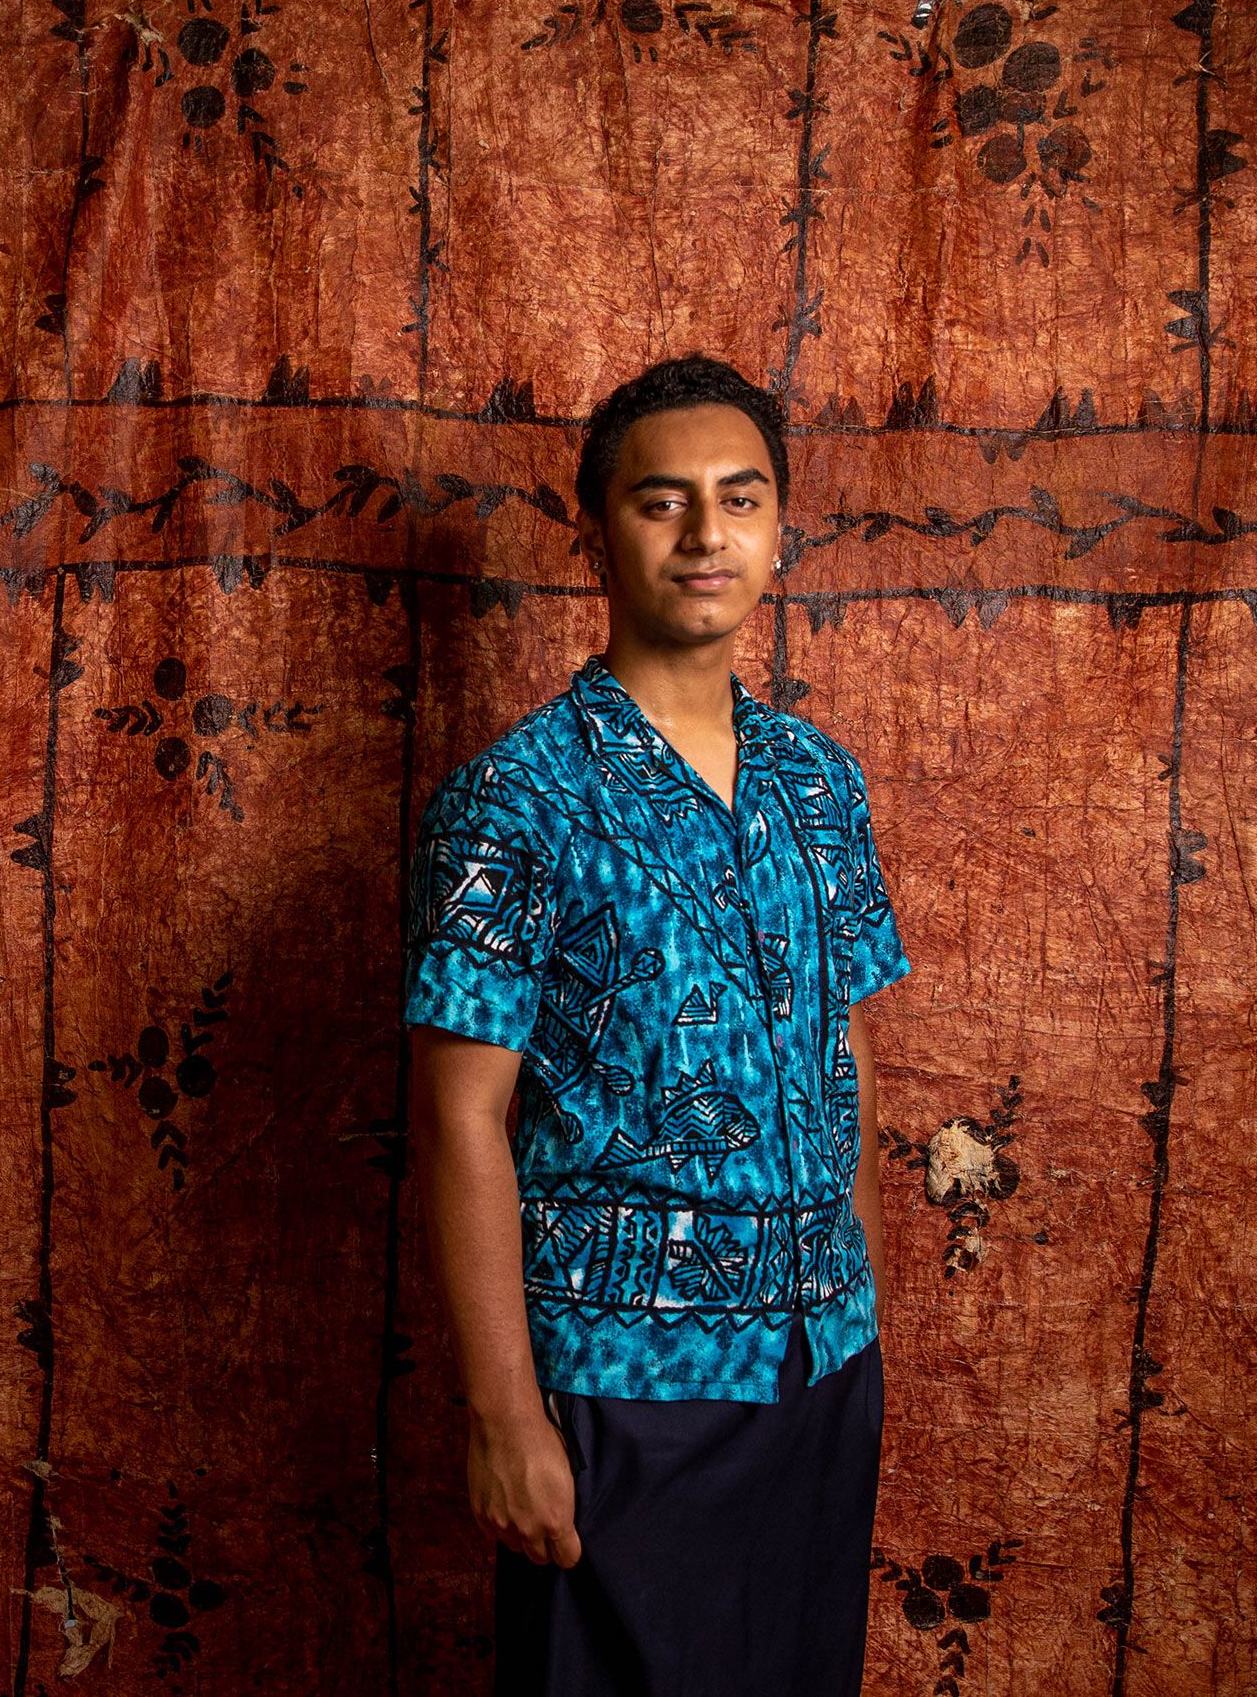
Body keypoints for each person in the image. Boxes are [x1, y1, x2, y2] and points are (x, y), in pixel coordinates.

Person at [401, 354, 912, 1694]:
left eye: (739, 501)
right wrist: (506, 1414)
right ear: (598, 530)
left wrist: (863, 1309)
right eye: (662, 502)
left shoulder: (821, 784)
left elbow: (844, 1048)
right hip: (627, 1384)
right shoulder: (514, 800)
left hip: (819, 1363)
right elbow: (463, 1114)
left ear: (779, 534)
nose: (705, 535)